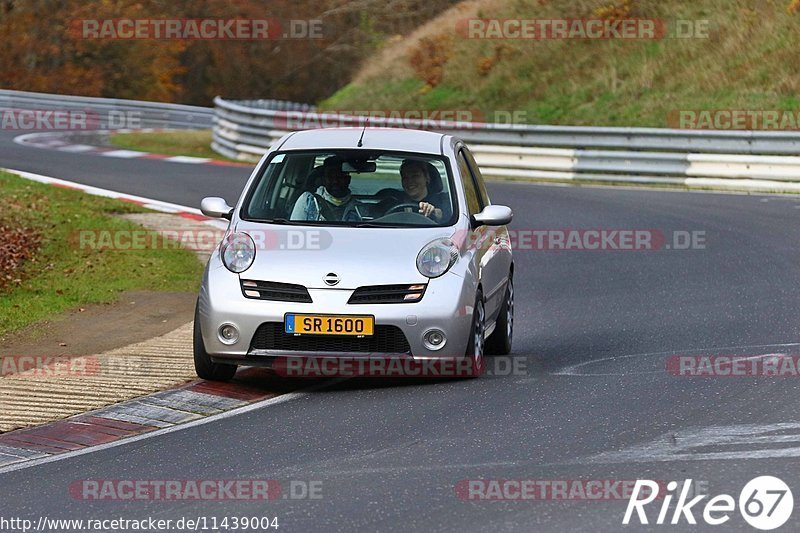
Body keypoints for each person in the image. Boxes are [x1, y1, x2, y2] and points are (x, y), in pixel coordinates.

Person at [290, 156, 365, 221]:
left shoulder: (359, 209)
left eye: (340, 176)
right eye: (330, 176)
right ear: (324, 179)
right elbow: (295, 231)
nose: (335, 181)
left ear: (348, 179)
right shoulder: (308, 201)